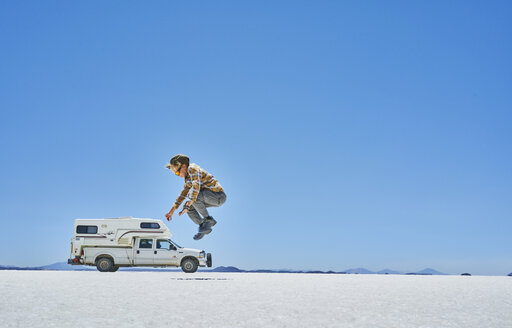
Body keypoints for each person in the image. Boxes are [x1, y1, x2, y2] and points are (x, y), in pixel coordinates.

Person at [165, 154, 227, 240]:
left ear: (184, 166)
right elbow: (183, 194)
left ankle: (208, 219)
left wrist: (190, 201)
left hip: (217, 195)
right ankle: (203, 227)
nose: (178, 175)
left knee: (193, 198)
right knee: (189, 208)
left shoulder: (192, 168)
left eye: (177, 172)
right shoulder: (187, 179)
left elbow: (196, 187)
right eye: (175, 174)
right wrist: (172, 211)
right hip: (207, 198)